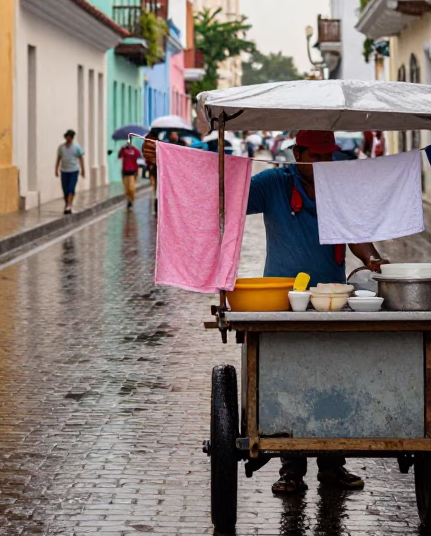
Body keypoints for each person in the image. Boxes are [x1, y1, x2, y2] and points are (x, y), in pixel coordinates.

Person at [143, 127, 389, 497]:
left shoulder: (339, 185)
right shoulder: (274, 183)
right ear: (297, 153)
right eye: (316, 157)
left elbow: (354, 233)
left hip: (330, 301)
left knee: (333, 381)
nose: (323, 163)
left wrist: (371, 257)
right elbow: (225, 190)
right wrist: (170, 163)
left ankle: (333, 466)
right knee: (287, 382)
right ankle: (291, 469)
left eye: (328, 156)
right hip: (282, 303)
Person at [55, 129, 85, 214]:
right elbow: (59, 158)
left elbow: (81, 158)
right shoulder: (61, 147)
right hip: (64, 171)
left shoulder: (76, 147)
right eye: (67, 137)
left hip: (74, 170)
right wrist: (56, 169)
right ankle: (67, 204)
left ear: (72, 138)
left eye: (69, 138)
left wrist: (83, 170)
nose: (68, 139)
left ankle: (69, 205)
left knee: (71, 188)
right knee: (65, 189)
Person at [118, 138, 142, 207]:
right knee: (126, 189)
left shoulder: (135, 150)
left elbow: (138, 157)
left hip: (132, 173)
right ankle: (129, 200)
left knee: (131, 188)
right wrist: (122, 149)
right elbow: (119, 156)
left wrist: (137, 171)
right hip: (125, 173)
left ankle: (132, 199)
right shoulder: (124, 150)